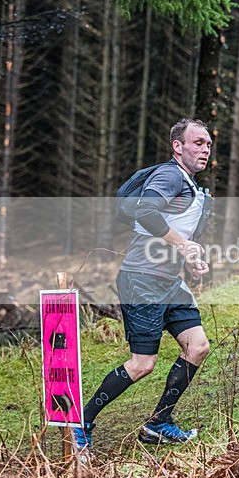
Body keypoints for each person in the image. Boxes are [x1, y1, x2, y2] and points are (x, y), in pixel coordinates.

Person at [72, 118, 214, 452]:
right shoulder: (169, 175)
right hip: (142, 281)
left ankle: (158, 424)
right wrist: (182, 244)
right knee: (142, 364)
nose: (205, 149)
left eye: (208, 144)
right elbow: (147, 212)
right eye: (197, 143)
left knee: (198, 347)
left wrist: (190, 259)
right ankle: (82, 422)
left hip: (168, 282)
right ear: (177, 146)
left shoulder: (189, 185)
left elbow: (171, 228)